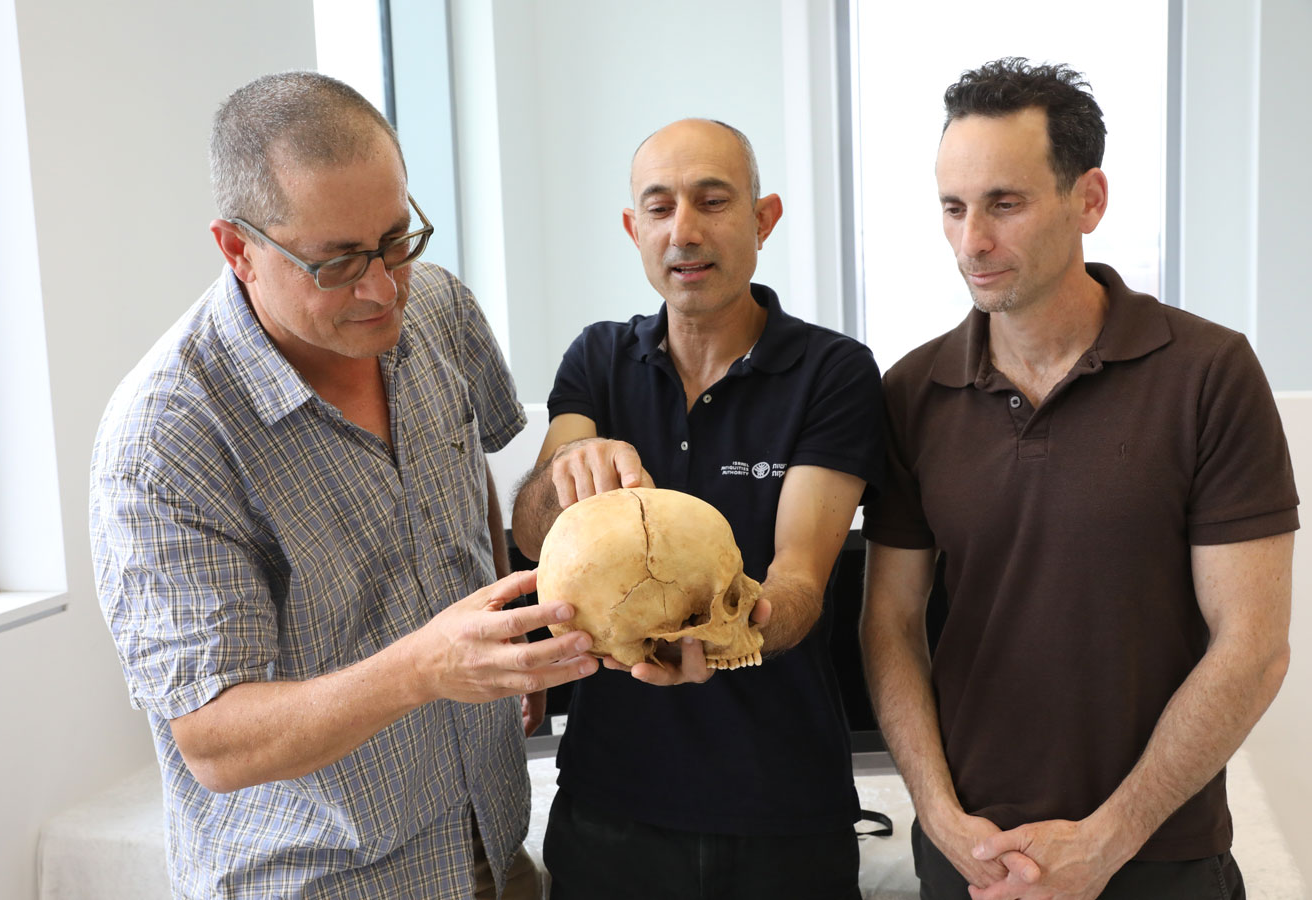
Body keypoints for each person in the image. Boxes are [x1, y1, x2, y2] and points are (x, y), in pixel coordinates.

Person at [89, 71, 598, 900]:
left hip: (493, 848)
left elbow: (476, 492)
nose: (382, 286)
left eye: (397, 237)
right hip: (321, 882)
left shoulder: (436, 309)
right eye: (338, 263)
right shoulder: (164, 440)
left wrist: (509, 609)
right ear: (237, 248)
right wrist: (429, 666)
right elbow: (216, 743)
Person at [860, 57, 1299, 900]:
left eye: (1005, 204)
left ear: (1089, 199)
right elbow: (890, 625)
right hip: (967, 856)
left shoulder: (1209, 373)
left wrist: (1108, 839)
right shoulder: (913, 393)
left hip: (1158, 857)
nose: (972, 241)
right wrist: (941, 817)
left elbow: (1253, 647)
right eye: (953, 208)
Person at [510, 118, 886, 899]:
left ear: (763, 217)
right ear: (633, 229)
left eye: (713, 201)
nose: (684, 230)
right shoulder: (598, 358)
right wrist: (565, 472)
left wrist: (730, 634)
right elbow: (533, 533)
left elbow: (800, 577)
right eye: (659, 207)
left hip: (783, 814)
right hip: (610, 810)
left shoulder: (832, 372)